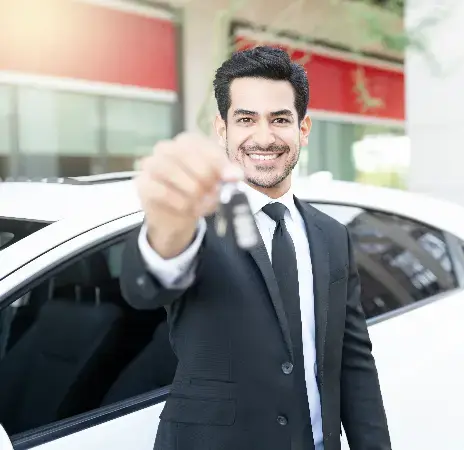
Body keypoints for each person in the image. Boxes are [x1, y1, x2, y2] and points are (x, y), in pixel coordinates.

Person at [119, 46, 392, 450]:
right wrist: (167, 224)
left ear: (303, 128)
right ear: (223, 129)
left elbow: (353, 362)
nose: (263, 137)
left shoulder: (333, 235)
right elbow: (147, 285)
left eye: (280, 119)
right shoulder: (193, 221)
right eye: (246, 119)